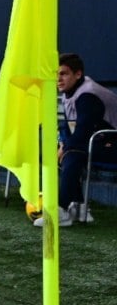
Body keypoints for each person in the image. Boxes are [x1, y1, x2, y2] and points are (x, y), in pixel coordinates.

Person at [37, 53, 117, 227]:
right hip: (99, 141)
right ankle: (79, 209)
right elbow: (70, 127)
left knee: (73, 152)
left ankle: (61, 209)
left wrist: (65, 148)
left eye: (64, 74)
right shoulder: (69, 93)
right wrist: (62, 146)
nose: (58, 79)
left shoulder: (88, 95)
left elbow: (82, 132)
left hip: (112, 143)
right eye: (56, 74)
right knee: (67, 152)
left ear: (78, 74)